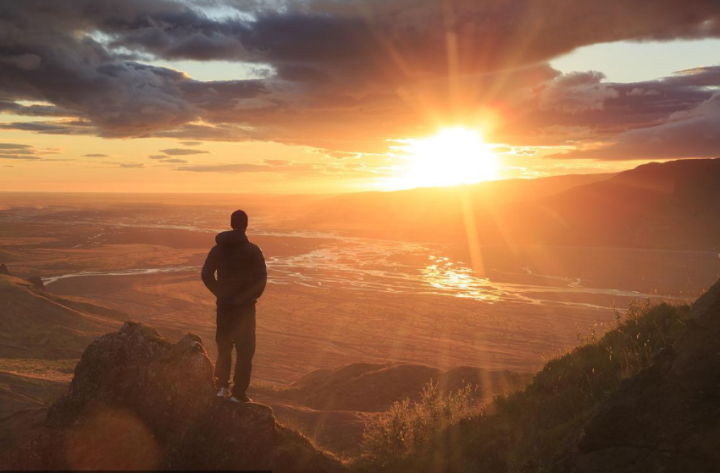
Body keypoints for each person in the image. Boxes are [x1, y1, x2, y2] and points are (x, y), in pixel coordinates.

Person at [202, 210, 267, 403]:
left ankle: (221, 387)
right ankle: (238, 394)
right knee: (245, 351)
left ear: (231, 224)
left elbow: (206, 275)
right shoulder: (253, 250)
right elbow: (261, 281)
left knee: (224, 347)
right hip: (245, 310)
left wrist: (221, 294)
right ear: (246, 225)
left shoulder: (218, 249)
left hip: (224, 308)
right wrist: (249, 298)